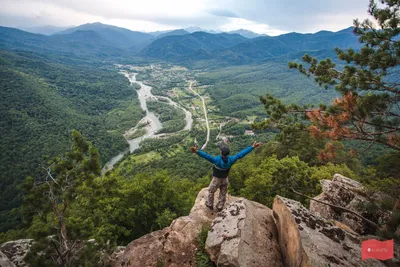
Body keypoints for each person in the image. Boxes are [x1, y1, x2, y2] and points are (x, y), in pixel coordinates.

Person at [190, 142, 262, 211]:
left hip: (216, 180)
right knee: (223, 193)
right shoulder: (231, 160)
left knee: (211, 191)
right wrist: (252, 147)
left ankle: (210, 204)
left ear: (221, 153)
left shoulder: (216, 160)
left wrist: (197, 151)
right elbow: (241, 154)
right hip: (225, 179)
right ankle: (220, 206)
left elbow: (206, 156)